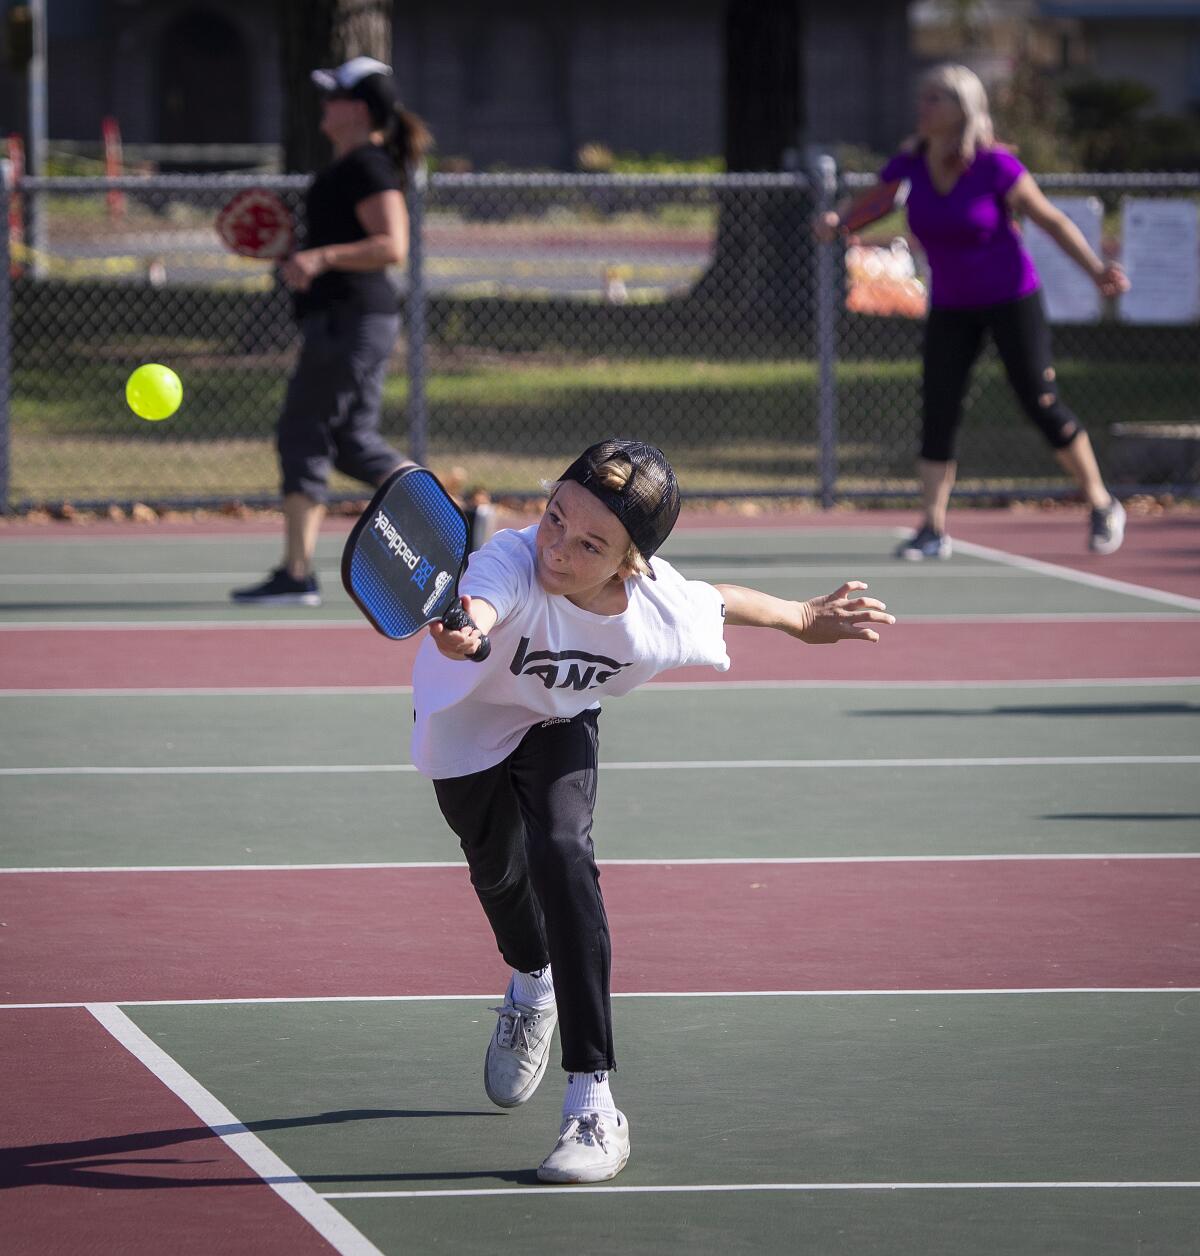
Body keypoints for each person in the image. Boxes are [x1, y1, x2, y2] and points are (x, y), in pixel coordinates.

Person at [411, 438, 895, 1183]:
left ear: (630, 562)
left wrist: (803, 615)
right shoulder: (508, 563)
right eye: (554, 518)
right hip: (465, 729)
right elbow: (480, 601)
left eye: (591, 543)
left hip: (559, 720)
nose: (559, 549)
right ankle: (530, 982)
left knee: (564, 855)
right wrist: (465, 627)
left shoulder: (656, 608)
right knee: (500, 879)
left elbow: (723, 600)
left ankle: (594, 1104)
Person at [816, 62, 1130, 560]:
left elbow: (1048, 220)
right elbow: (879, 201)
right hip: (952, 305)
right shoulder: (913, 162)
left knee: (1040, 403)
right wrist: (842, 220)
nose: (922, 107)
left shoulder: (995, 166)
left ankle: (1101, 502)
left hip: (1012, 298)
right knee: (937, 410)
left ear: (961, 108)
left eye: (933, 99)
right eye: (923, 98)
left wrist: (1096, 270)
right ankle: (933, 529)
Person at [233, 57, 431, 606]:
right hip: (351, 320)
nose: (324, 105)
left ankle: (296, 574)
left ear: (359, 109)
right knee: (350, 443)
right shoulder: (347, 166)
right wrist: (304, 259)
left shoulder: (367, 165)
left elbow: (392, 244)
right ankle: (456, 518)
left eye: (334, 96)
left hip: (352, 321)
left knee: (303, 433)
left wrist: (319, 258)